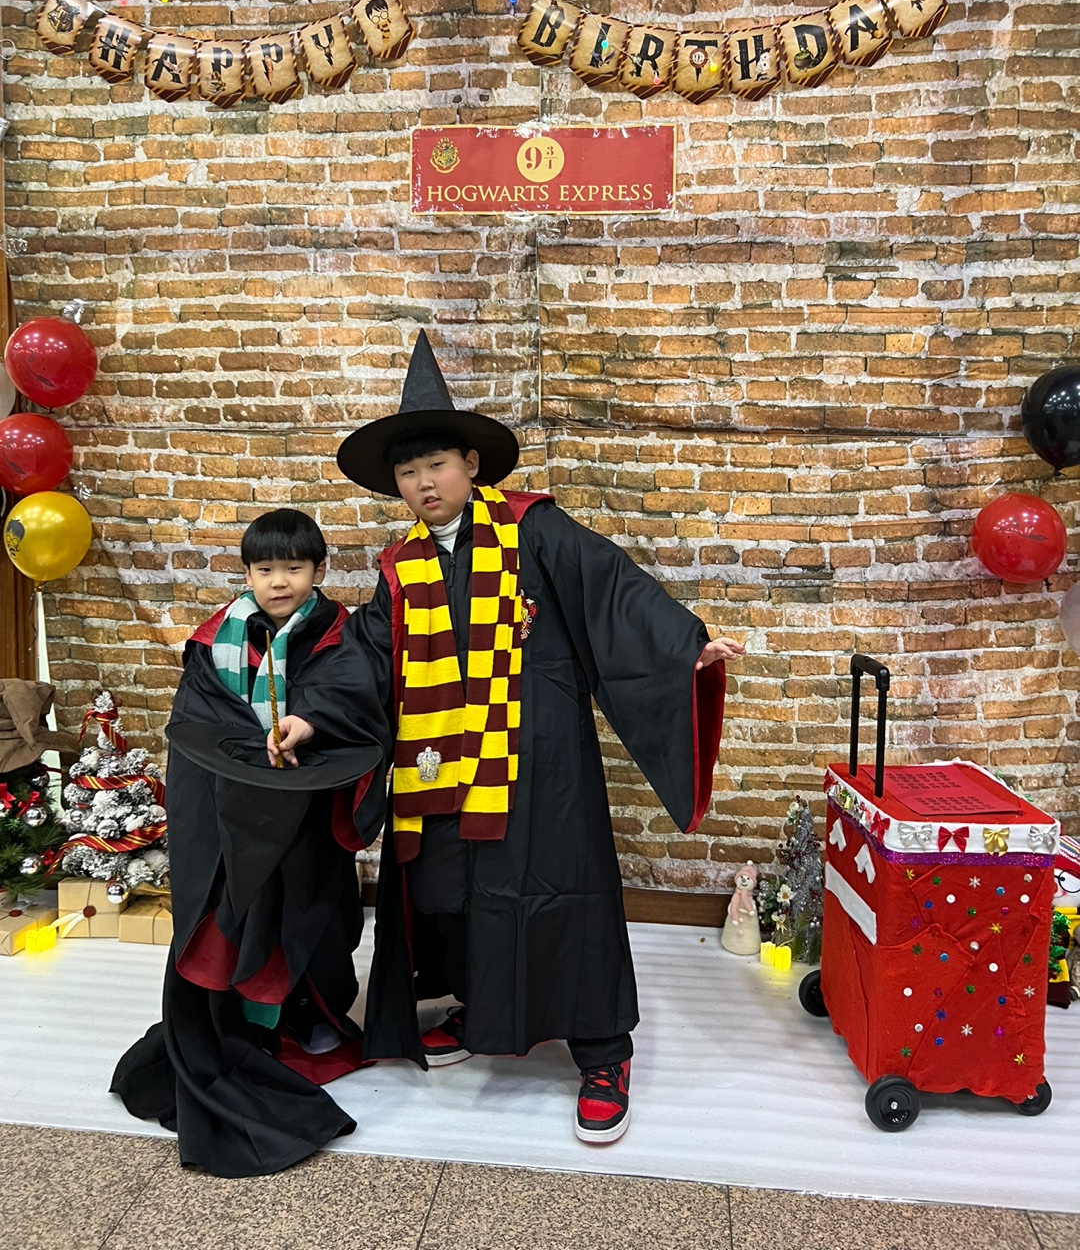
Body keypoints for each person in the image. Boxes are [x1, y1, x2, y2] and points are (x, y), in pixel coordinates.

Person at [338, 332, 744, 1144]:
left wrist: (682, 646)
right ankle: (482, 1011)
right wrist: (312, 708)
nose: (424, 484)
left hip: (539, 754)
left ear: (471, 465)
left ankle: (603, 1052)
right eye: (409, 473)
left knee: (564, 890)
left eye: (437, 465)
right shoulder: (398, 568)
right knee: (454, 892)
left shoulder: (535, 529)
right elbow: (367, 658)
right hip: (441, 761)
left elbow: (613, 589)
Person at [111, 509, 392, 1178]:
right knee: (235, 914)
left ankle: (312, 1014)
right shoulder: (217, 639)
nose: (279, 582)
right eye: (265, 569)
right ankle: (247, 1028)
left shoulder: (340, 633)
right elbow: (199, 723)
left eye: (294, 568)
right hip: (234, 809)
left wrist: (307, 721)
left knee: (312, 912)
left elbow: (356, 700)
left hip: (306, 810)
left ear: (318, 571)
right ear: (247, 573)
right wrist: (250, 750)